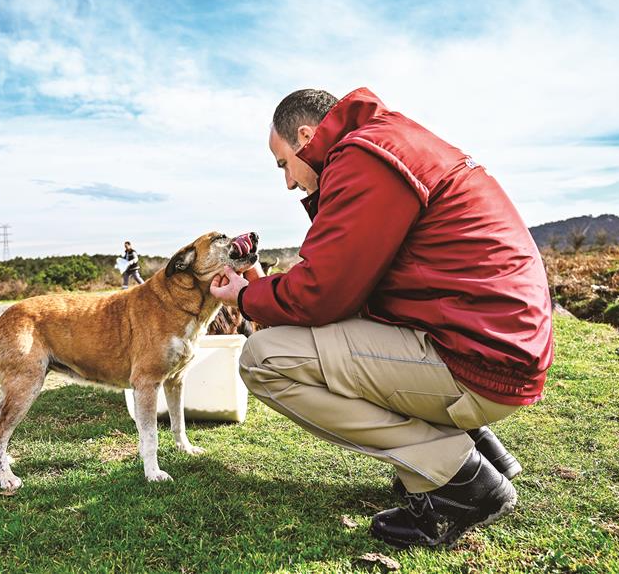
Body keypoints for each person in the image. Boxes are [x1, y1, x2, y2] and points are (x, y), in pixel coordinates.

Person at [210, 87, 554, 548]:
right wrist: (260, 281)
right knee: (318, 338)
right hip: (494, 342)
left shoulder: (364, 156)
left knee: (263, 358)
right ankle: (474, 445)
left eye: (283, 164)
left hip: (479, 362)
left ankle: (457, 478)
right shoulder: (393, 142)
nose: (288, 183)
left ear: (307, 136)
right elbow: (347, 276)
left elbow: (322, 295)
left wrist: (247, 297)